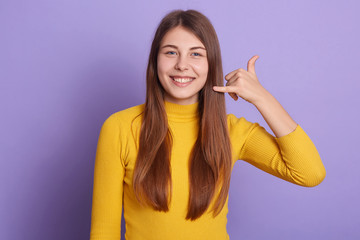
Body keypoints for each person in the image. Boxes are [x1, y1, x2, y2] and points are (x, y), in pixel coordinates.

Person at [89, 9, 326, 240]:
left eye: (196, 54)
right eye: (171, 53)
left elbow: (310, 173)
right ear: (155, 60)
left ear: (211, 64)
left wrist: (261, 98)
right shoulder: (120, 127)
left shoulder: (232, 131)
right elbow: (104, 232)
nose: (182, 65)